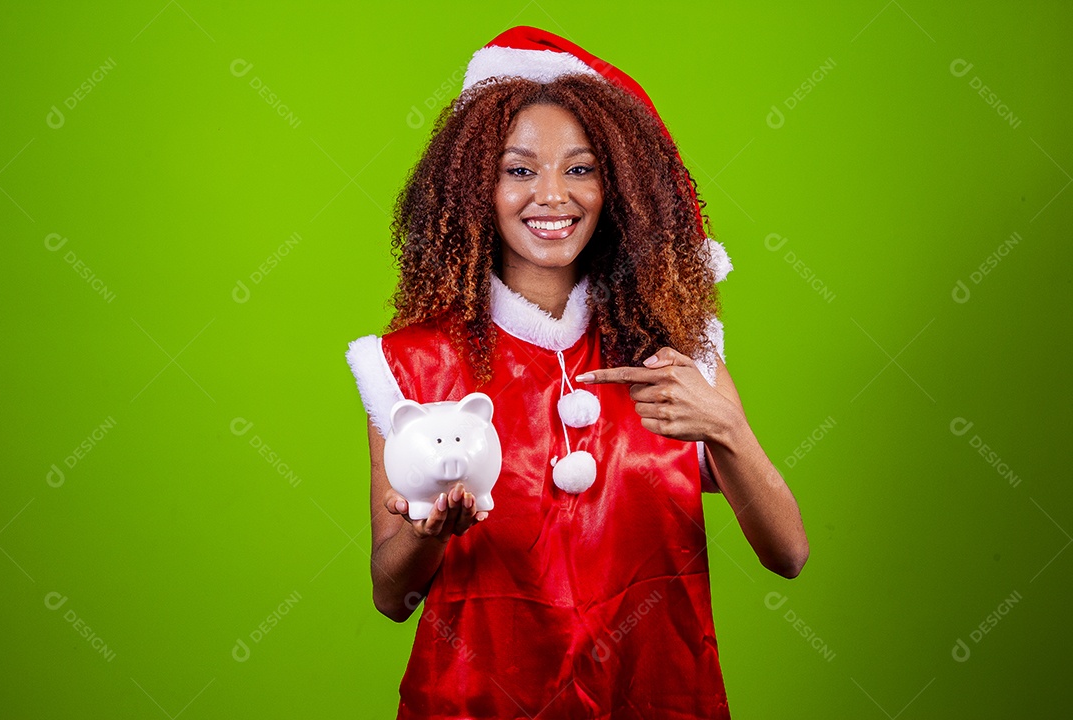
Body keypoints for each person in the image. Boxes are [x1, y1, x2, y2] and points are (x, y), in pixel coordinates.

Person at [345, 26, 809, 719]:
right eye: (519, 169)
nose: (553, 196)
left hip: (657, 696)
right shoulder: (410, 364)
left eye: (582, 168)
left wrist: (729, 430)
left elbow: (788, 555)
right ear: (477, 185)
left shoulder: (675, 351)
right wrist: (426, 533)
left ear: (616, 185)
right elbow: (391, 597)